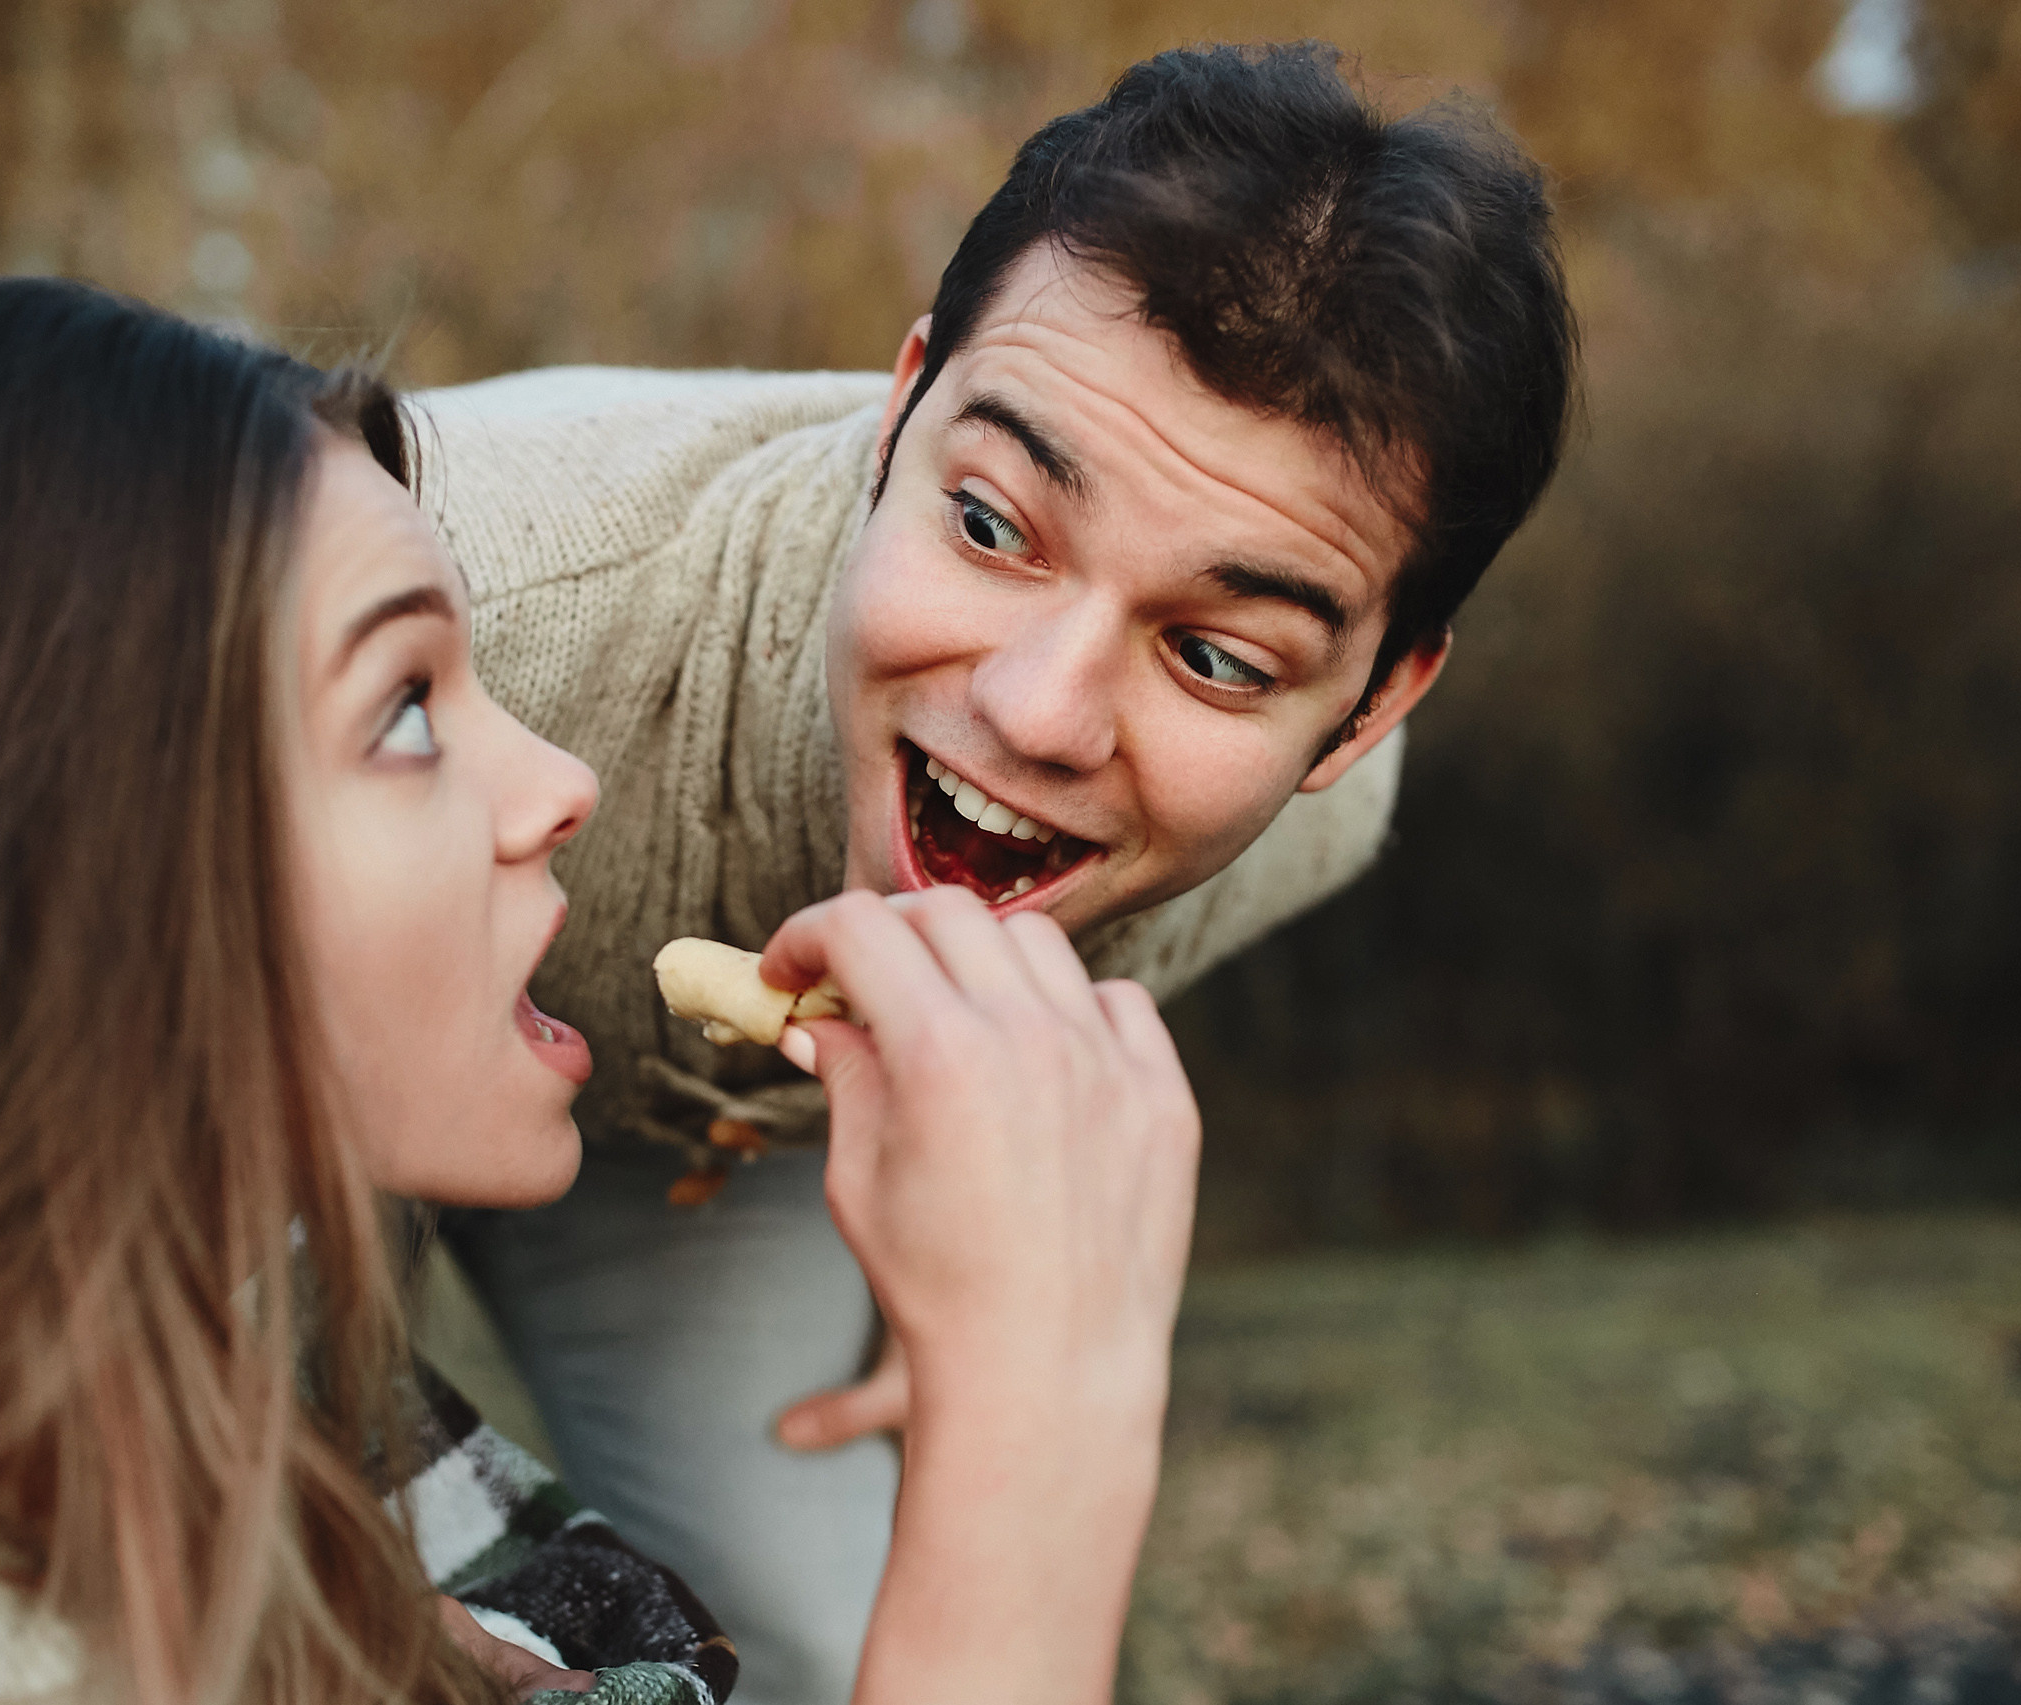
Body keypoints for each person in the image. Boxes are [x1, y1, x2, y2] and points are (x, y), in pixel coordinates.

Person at [0, 278, 1201, 1705]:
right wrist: (1034, 1434)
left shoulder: (113, 1356)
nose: (560, 786)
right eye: (404, 707)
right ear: (31, 856)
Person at [424, 41, 1578, 1705]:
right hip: (256, 1026)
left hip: (698, 1153)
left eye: (1220, 659)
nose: (1038, 713)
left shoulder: (1305, 829)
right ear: (901, 410)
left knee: (822, 1643)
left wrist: (964, 1275)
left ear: (1373, 701)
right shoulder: (475, 597)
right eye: (991, 522)